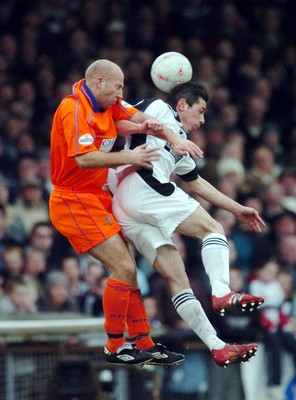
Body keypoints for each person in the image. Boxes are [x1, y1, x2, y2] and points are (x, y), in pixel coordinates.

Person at [49, 59, 203, 366]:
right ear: (100, 83)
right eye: (118, 86)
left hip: (96, 196)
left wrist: (171, 136)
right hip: (73, 200)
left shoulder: (109, 103)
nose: (122, 93)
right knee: (124, 269)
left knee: (127, 269)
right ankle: (115, 345)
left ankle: (143, 342)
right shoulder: (74, 110)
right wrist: (128, 155)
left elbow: (140, 117)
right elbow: (84, 159)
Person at [109, 81, 266, 367]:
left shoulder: (180, 142)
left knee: (178, 279)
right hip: (143, 186)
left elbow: (197, 184)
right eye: (201, 111)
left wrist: (237, 209)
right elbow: (121, 117)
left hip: (126, 208)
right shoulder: (158, 107)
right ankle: (221, 292)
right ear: (182, 105)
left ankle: (217, 346)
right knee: (213, 230)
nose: (203, 120)